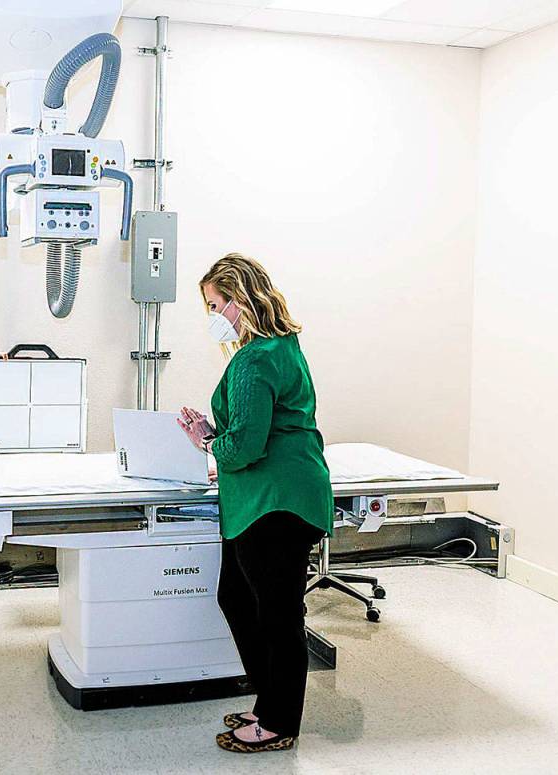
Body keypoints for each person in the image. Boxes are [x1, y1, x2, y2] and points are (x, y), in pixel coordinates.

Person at [177, 253, 334, 754]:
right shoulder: (280, 346)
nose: (211, 316)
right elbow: (258, 425)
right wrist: (219, 436)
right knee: (238, 597)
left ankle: (279, 721)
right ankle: (269, 700)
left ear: (240, 301)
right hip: (269, 496)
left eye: (214, 304)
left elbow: (245, 445)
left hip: (276, 502)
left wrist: (207, 439)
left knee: (277, 615)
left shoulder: (255, 358)